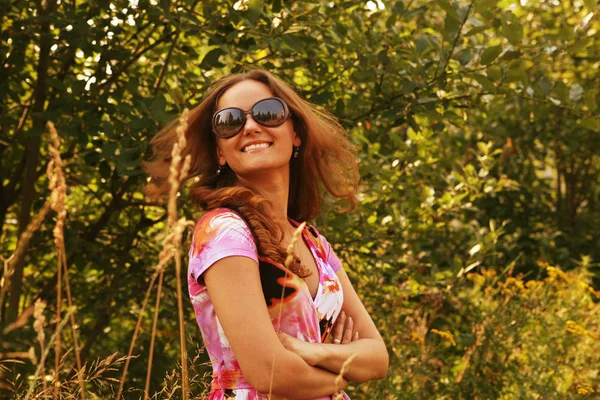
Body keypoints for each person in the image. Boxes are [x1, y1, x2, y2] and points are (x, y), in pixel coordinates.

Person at [144, 68, 388, 399]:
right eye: (230, 122)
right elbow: (270, 373)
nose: (250, 127)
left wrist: (316, 353)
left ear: (296, 132)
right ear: (220, 150)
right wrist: (342, 375)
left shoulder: (313, 241)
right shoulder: (224, 232)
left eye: (268, 113)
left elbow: (377, 357)